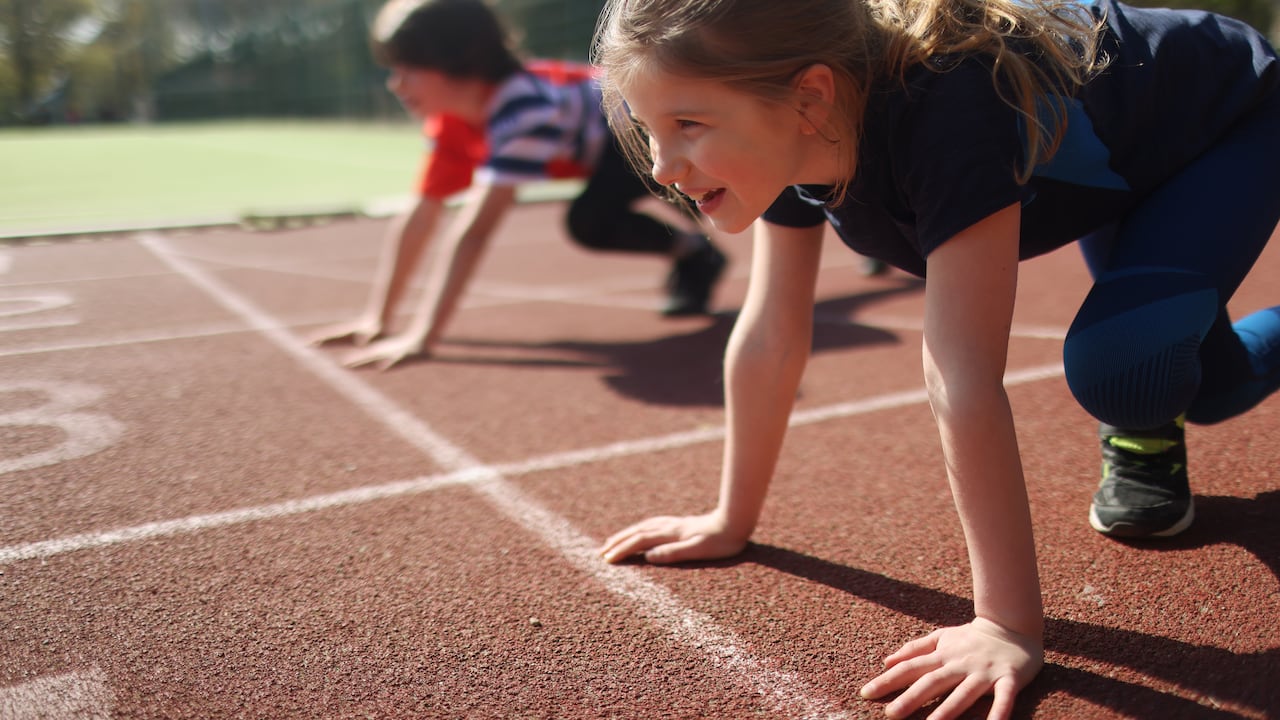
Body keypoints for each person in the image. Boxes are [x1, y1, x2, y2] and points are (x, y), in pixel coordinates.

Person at [592, 0, 1280, 717]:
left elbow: (961, 375)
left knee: (1126, 370)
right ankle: (1159, 404)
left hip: (1221, 120)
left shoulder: (948, 108)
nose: (664, 168)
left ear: (810, 97)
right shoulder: (792, 133)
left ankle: (1142, 418)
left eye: (689, 126)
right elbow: (771, 334)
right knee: (1200, 384)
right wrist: (729, 518)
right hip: (1122, 143)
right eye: (648, 131)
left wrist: (1006, 625)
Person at [309, 0, 726, 368]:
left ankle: (699, 250)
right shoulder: (451, 123)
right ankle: (695, 250)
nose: (395, 84)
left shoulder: (520, 107)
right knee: (605, 212)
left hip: (635, 129)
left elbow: (475, 231)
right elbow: (421, 216)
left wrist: (423, 336)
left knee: (595, 218)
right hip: (603, 149)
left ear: (455, 61)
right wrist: (379, 320)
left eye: (408, 69)